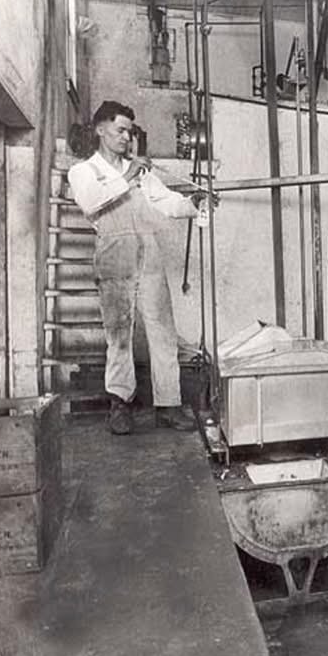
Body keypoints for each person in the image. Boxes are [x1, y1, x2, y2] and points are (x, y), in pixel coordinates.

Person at [68, 100, 208, 435]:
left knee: (162, 332)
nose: (127, 138)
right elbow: (91, 201)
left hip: (150, 254)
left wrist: (192, 203)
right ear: (100, 129)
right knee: (119, 336)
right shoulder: (84, 171)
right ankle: (120, 405)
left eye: (130, 132)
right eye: (120, 130)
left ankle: (169, 406)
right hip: (115, 254)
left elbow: (166, 202)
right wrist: (128, 175)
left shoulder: (140, 172)